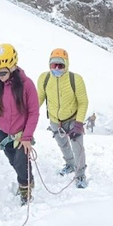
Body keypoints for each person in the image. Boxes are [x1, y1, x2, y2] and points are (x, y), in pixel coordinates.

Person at [0, 44, 39, 205]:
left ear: (12, 67)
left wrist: (27, 137)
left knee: (20, 162)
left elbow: (34, 112)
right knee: (14, 161)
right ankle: (27, 179)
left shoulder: (27, 85)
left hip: (21, 134)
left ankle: (26, 188)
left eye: (2, 72)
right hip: (2, 131)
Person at [37, 48, 90, 189]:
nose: (57, 68)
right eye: (53, 65)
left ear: (67, 65)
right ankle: (70, 164)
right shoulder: (44, 78)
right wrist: (28, 113)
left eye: (61, 65)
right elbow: (39, 98)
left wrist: (79, 123)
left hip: (73, 119)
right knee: (63, 145)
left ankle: (80, 175)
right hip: (55, 120)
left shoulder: (75, 79)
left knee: (78, 148)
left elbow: (83, 102)